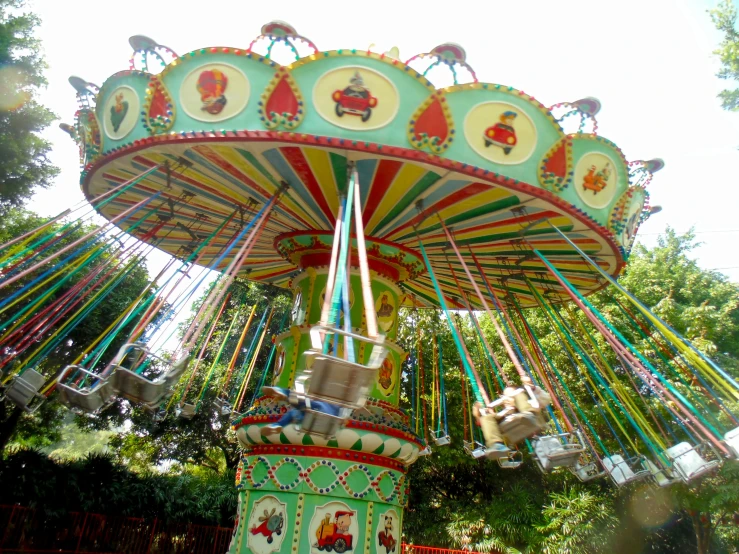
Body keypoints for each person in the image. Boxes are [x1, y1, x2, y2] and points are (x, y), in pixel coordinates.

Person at [261, 386, 342, 433]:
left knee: (303, 400)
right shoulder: (340, 403)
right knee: (295, 411)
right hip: (316, 420)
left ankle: (284, 393)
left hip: (320, 411)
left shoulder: (332, 399)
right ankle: (276, 426)